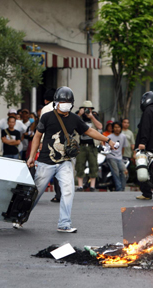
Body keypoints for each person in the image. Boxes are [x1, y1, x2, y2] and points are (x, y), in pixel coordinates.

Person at [26, 87, 115, 233]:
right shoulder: (47, 116)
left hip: (65, 162)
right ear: (56, 102)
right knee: (35, 193)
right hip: (45, 162)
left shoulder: (74, 119)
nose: (65, 103)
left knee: (68, 191)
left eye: (68, 101)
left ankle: (64, 224)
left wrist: (108, 140)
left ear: (72, 103)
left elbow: (90, 131)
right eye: (62, 101)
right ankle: (20, 217)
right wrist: (31, 157)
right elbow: (37, 136)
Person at [75, 100, 103, 192]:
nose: (87, 111)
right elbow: (71, 125)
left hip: (92, 146)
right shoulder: (77, 116)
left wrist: (92, 117)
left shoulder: (94, 116)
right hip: (81, 145)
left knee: (93, 165)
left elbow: (100, 127)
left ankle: (92, 186)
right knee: (80, 164)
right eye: (85, 109)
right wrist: (79, 114)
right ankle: (80, 186)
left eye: (89, 109)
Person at [40, 89, 62, 203]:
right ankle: (60, 194)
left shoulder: (45, 109)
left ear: (45, 100)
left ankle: (34, 194)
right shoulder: (62, 107)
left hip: (48, 142)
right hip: (61, 143)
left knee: (43, 168)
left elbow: (42, 128)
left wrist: (40, 142)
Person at [104, 121, 128, 191]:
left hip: (120, 158)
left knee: (124, 172)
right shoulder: (109, 137)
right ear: (113, 128)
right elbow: (107, 148)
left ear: (121, 128)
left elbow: (123, 148)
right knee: (116, 172)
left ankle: (122, 188)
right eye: (115, 127)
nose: (117, 129)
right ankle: (119, 188)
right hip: (111, 157)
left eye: (118, 127)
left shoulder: (123, 136)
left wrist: (122, 157)